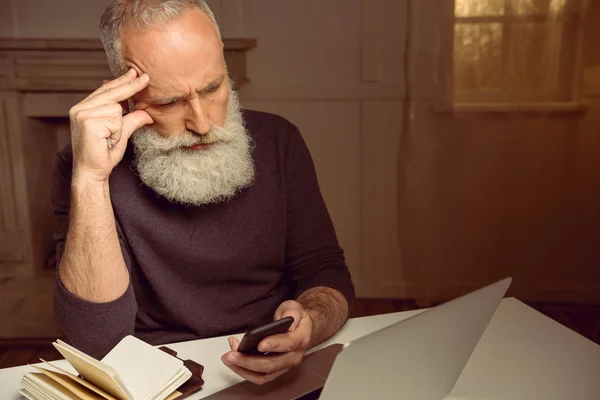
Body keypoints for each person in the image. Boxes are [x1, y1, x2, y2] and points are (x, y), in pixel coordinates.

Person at [51, 0, 354, 385]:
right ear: (125, 96)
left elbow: (324, 268)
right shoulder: (81, 168)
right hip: (159, 378)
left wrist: (309, 323)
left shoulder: (280, 140)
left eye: (213, 87)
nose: (203, 122)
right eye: (169, 101)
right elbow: (95, 341)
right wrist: (91, 179)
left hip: (272, 369)